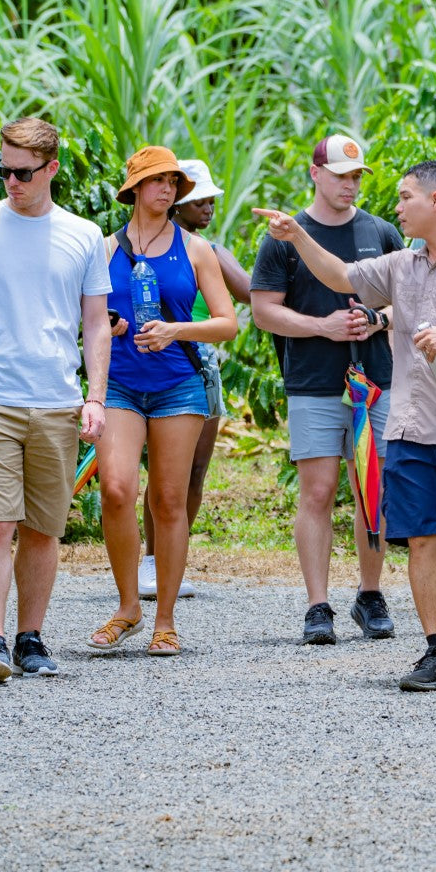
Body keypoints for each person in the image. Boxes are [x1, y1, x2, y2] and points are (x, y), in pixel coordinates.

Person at [254, 160, 436, 691]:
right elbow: (342, 277)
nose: (396, 206)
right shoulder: (401, 265)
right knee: (422, 539)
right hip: (408, 430)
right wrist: (295, 236)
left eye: (406, 197)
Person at [0, 118, 113, 684]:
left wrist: (96, 397)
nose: (10, 181)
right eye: (3, 169)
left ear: (52, 169)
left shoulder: (82, 234)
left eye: (23, 172)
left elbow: (97, 323)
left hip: (55, 398)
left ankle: (31, 637)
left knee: (42, 528)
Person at [251, 134, 404, 645]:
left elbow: (409, 299)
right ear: (315, 173)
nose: (350, 184)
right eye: (341, 175)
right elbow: (263, 310)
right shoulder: (284, 236)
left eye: (357, 176)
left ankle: (370, 594)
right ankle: (318, 605)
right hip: (314, 382)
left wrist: (377, 321)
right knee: (316, 492)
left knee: (373, 494)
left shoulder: (380, 232)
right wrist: (324, 327)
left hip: (376, 383)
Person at [90, 147, 238, 657]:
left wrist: (177, 329)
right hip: (120, 384)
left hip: (179, 383)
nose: (167, 190)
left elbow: (228, 323)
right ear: (134, 189)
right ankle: (128, 606)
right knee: (115, 488)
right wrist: (110, 326)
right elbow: (80, 317)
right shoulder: (103, 247)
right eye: (156, 181)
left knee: (170, 501)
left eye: (173, 182)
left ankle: (165, 619)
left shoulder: (196, 249)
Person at [135, 158, 252, 602]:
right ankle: (151, 559)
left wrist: (216, 250)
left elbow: (248, 291)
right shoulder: (144, 246)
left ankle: (173, 559)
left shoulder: (208, 249)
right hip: (159, 358)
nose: (206, 207)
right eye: (197, 199)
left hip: (201, 359)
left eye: (211, 200)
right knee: (164, 472)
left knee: (196, 469)